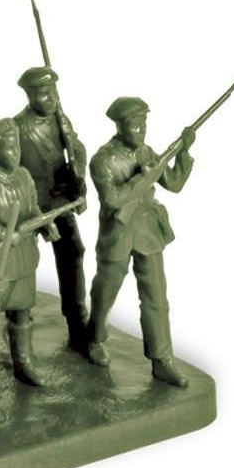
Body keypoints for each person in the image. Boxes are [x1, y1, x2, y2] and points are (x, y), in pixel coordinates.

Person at [85, 97, 196, 387]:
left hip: (147, 231)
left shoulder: (146, 152)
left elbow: (173, 183)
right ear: (119, 126)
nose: (141, 129)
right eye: (135, 124)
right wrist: (144, 180)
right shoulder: (102, 160)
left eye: (144, 123)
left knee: (156, 297)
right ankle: (95, 338)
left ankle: (162, 359)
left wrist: (183, 152)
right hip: (118, 233)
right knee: (106, 292)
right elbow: (112, 200)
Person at [0, 118, 60, 387]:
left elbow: (33, 207)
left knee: (23, 311)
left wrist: (45, 224)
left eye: (17, 146)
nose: (16, 152)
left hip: (24, 255)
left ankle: (23, 361)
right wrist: (1, 233)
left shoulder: (24, 175)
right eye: (9, 147)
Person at [13, 66, 89, 348]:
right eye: (44, 93)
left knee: (73, 252)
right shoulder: (17, 127)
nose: (51, 98)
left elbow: (77, 148)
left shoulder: (60, 118)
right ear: (30, 95)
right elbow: (11, 171)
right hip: (28, 204)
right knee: (21, 264)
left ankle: (77, 324)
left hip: (58, 200)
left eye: (54, 91)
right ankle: (18, 325)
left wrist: (78, 176)